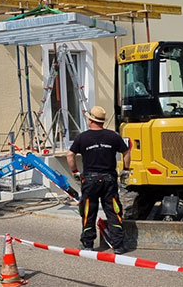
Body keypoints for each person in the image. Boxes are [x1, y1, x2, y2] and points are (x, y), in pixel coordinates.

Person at [67, 105, 131, 253]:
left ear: (91, 120)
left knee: (89, 211)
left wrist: (75, 172)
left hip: (90, 180)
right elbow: (126, 151)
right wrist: (126, 170)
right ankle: (118, 245)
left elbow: (70, 155)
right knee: (113, 211)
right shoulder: (113, 136)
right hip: (109, 179)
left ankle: (88, 244)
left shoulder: (82, 137)